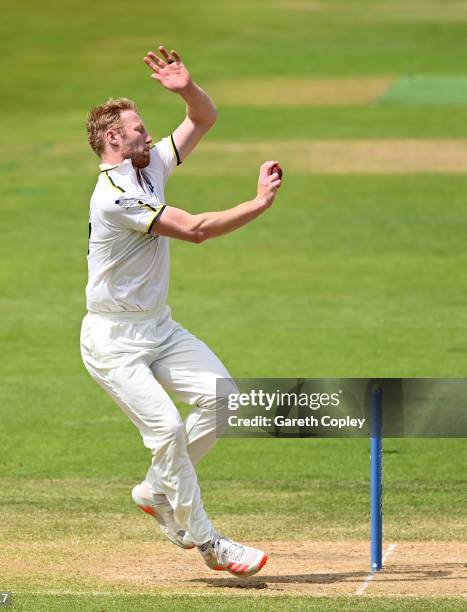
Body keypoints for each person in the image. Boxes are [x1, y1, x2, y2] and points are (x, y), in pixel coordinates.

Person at [81, 45, 281, 577]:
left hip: (157, 326)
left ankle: (154, 490)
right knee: (168, 430)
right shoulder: (114, 196)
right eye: (139, 129)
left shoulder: (150, 167)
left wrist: (186, 88)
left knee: (226, 402)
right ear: (113, 140)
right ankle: (210, 542)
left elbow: (203, 117)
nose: (149, 136)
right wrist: (256, 205)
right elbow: (193, 230)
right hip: (113, 340)